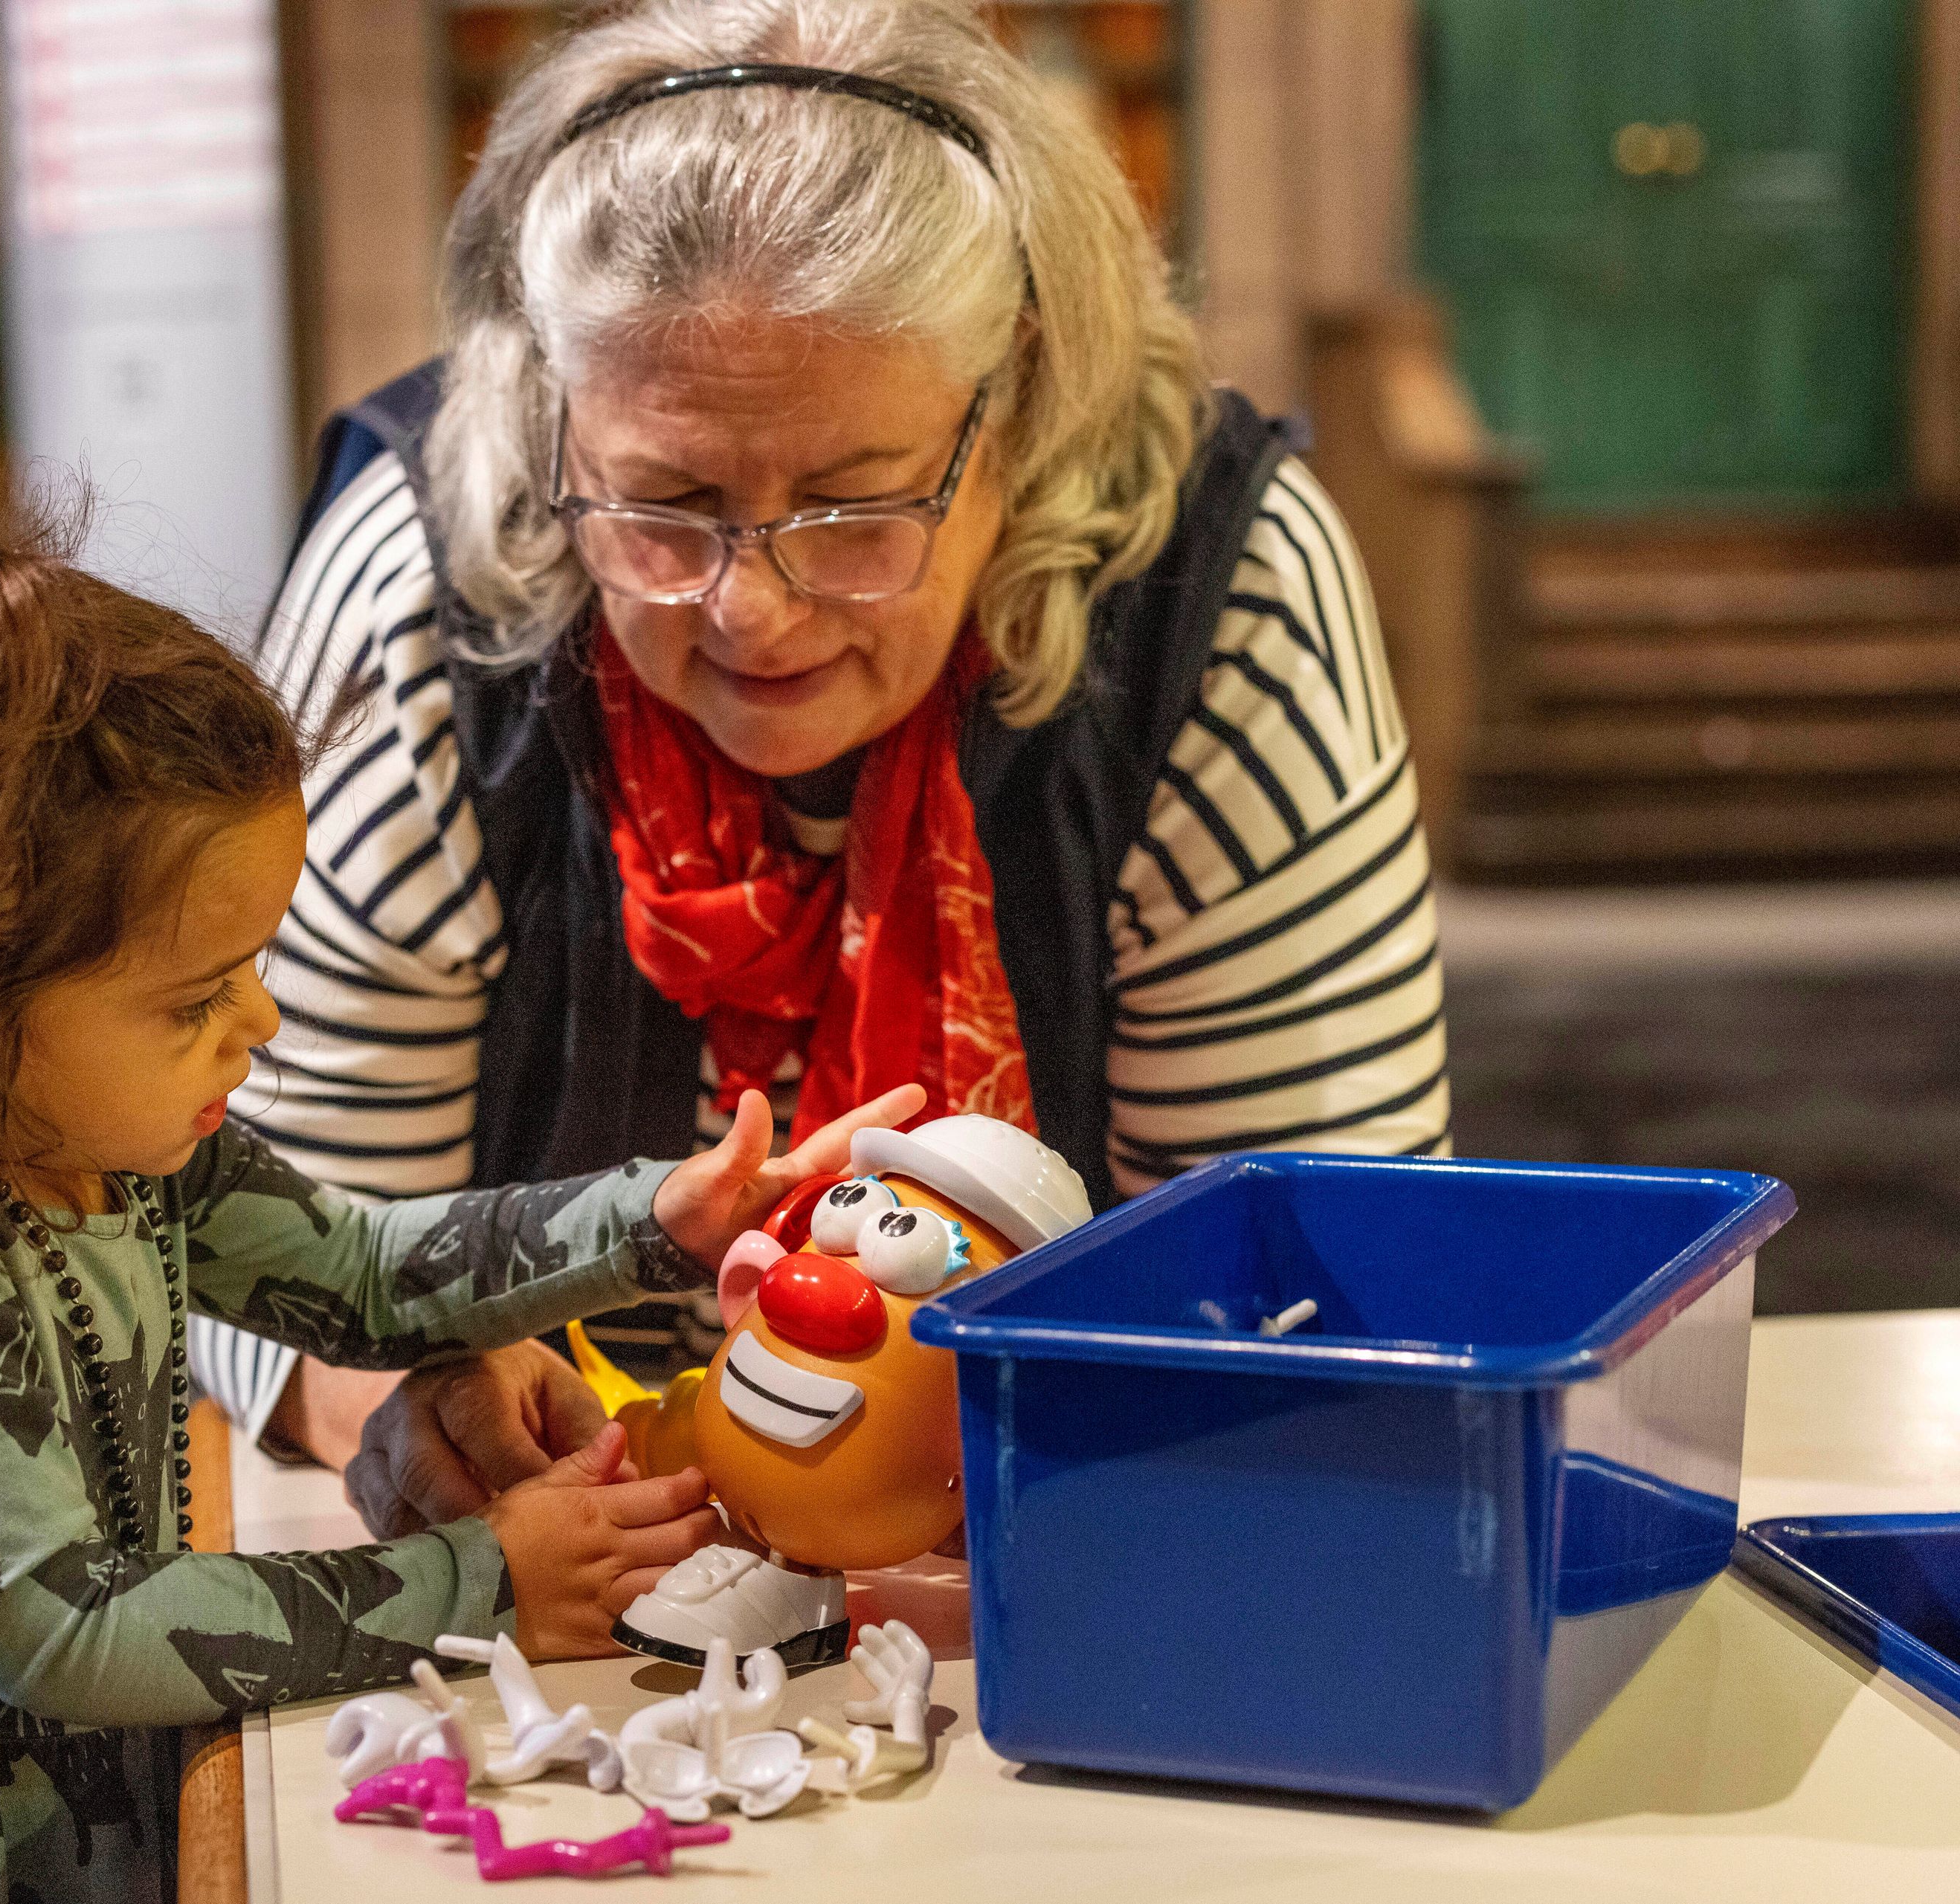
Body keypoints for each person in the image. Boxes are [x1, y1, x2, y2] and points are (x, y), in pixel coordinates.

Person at [0, 498, 922, 1900]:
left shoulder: (106, 1133)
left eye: (254, 965)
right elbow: (63, 1630)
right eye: (197, 995)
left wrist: (661, 1217)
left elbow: (364, 1275)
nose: (256, 1022)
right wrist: (475, 1576)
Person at [199, 0, 1452, 1532]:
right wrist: (418, 1403)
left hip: (1068, 1548)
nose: (753, 607)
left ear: (1021, 406)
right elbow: (260, 1253)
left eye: (857, 504)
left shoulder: (1221, 599)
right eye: (663, 503)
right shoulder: (417, 598)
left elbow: (1307, 1277)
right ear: (550, 418)